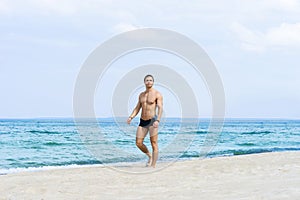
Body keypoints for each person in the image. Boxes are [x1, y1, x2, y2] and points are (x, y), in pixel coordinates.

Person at [127, 74, 163, 168]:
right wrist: (131, 117)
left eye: (151, 80)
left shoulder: (157, 94)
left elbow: (160, 108)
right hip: (142, 121)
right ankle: (149, 156)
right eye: (147, 80)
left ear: (153, 82)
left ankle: (153, 165)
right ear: (144, 82)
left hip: (152, 121)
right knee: (138, 143)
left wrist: (158, 120)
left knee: (153, 143)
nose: (149, 82)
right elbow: (137, 108)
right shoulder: (141, 95)